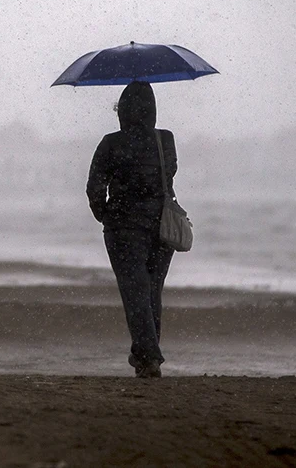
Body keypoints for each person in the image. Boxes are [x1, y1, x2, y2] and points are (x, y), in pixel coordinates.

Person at [86, 81, 177, 378]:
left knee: (135, 292)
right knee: (151, 293)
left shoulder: (111, 143)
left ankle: (149, 358)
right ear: (152, 109)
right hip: (160, 226)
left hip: (124, 228)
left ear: (122, 111)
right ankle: (144, 356)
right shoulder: (165, 140)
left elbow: (95, 187)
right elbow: (169, 175)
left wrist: (106, 216)